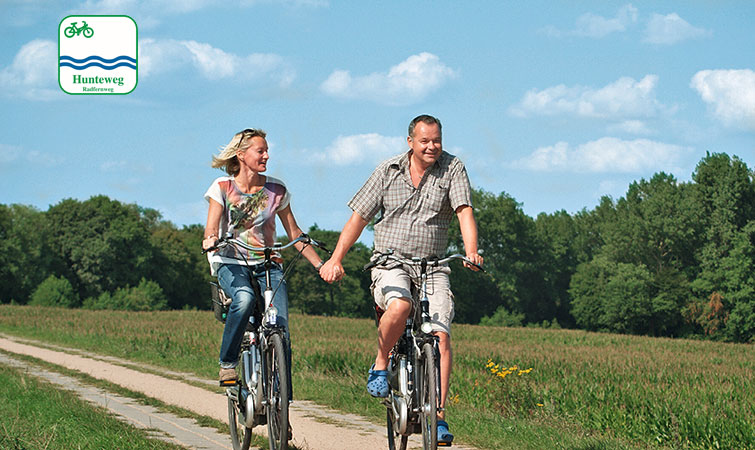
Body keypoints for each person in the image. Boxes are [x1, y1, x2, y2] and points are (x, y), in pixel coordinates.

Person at [320, 115, 483, 445]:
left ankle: (437, 416)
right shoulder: (387, 170)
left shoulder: (453, 169)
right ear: (410, 142)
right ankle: (381, 364)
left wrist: (471, 251)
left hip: (434, 265)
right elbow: (360, 218)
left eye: (436, 140)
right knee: (400, 305)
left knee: (441, 335)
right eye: (424, 141)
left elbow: (464, 210)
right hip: (390, 262)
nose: (431, 146)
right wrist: (336, 258)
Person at [202, 128, 325, 385]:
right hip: (231, 261)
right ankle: (228, 363)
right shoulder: (222, 187)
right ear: (241, 155)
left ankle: (282, 411)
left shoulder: (276, 190)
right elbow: (212, 227)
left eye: (267, 151)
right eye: (261, 151)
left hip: (268, 262)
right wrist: (211, 239)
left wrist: (320, 265)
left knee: (280, 329)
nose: (267, 156)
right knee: (244, 299)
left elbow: (295, 233)